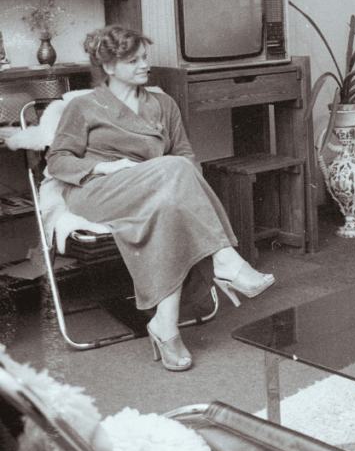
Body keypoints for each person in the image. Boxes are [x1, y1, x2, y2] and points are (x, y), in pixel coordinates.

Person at [47, 25, 275, 373]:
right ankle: (226, 261)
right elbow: (58, 160)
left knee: (170, 198)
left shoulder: (162, 104)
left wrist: (177, 191)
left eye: (145, 58)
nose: (145, 65)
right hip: (98, 189)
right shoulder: (84, 106)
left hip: (156, 187)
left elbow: (186, 156)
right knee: (173, 166)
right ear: (109, 67)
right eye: (133, 60)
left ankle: (165, 328)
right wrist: (107, 169)